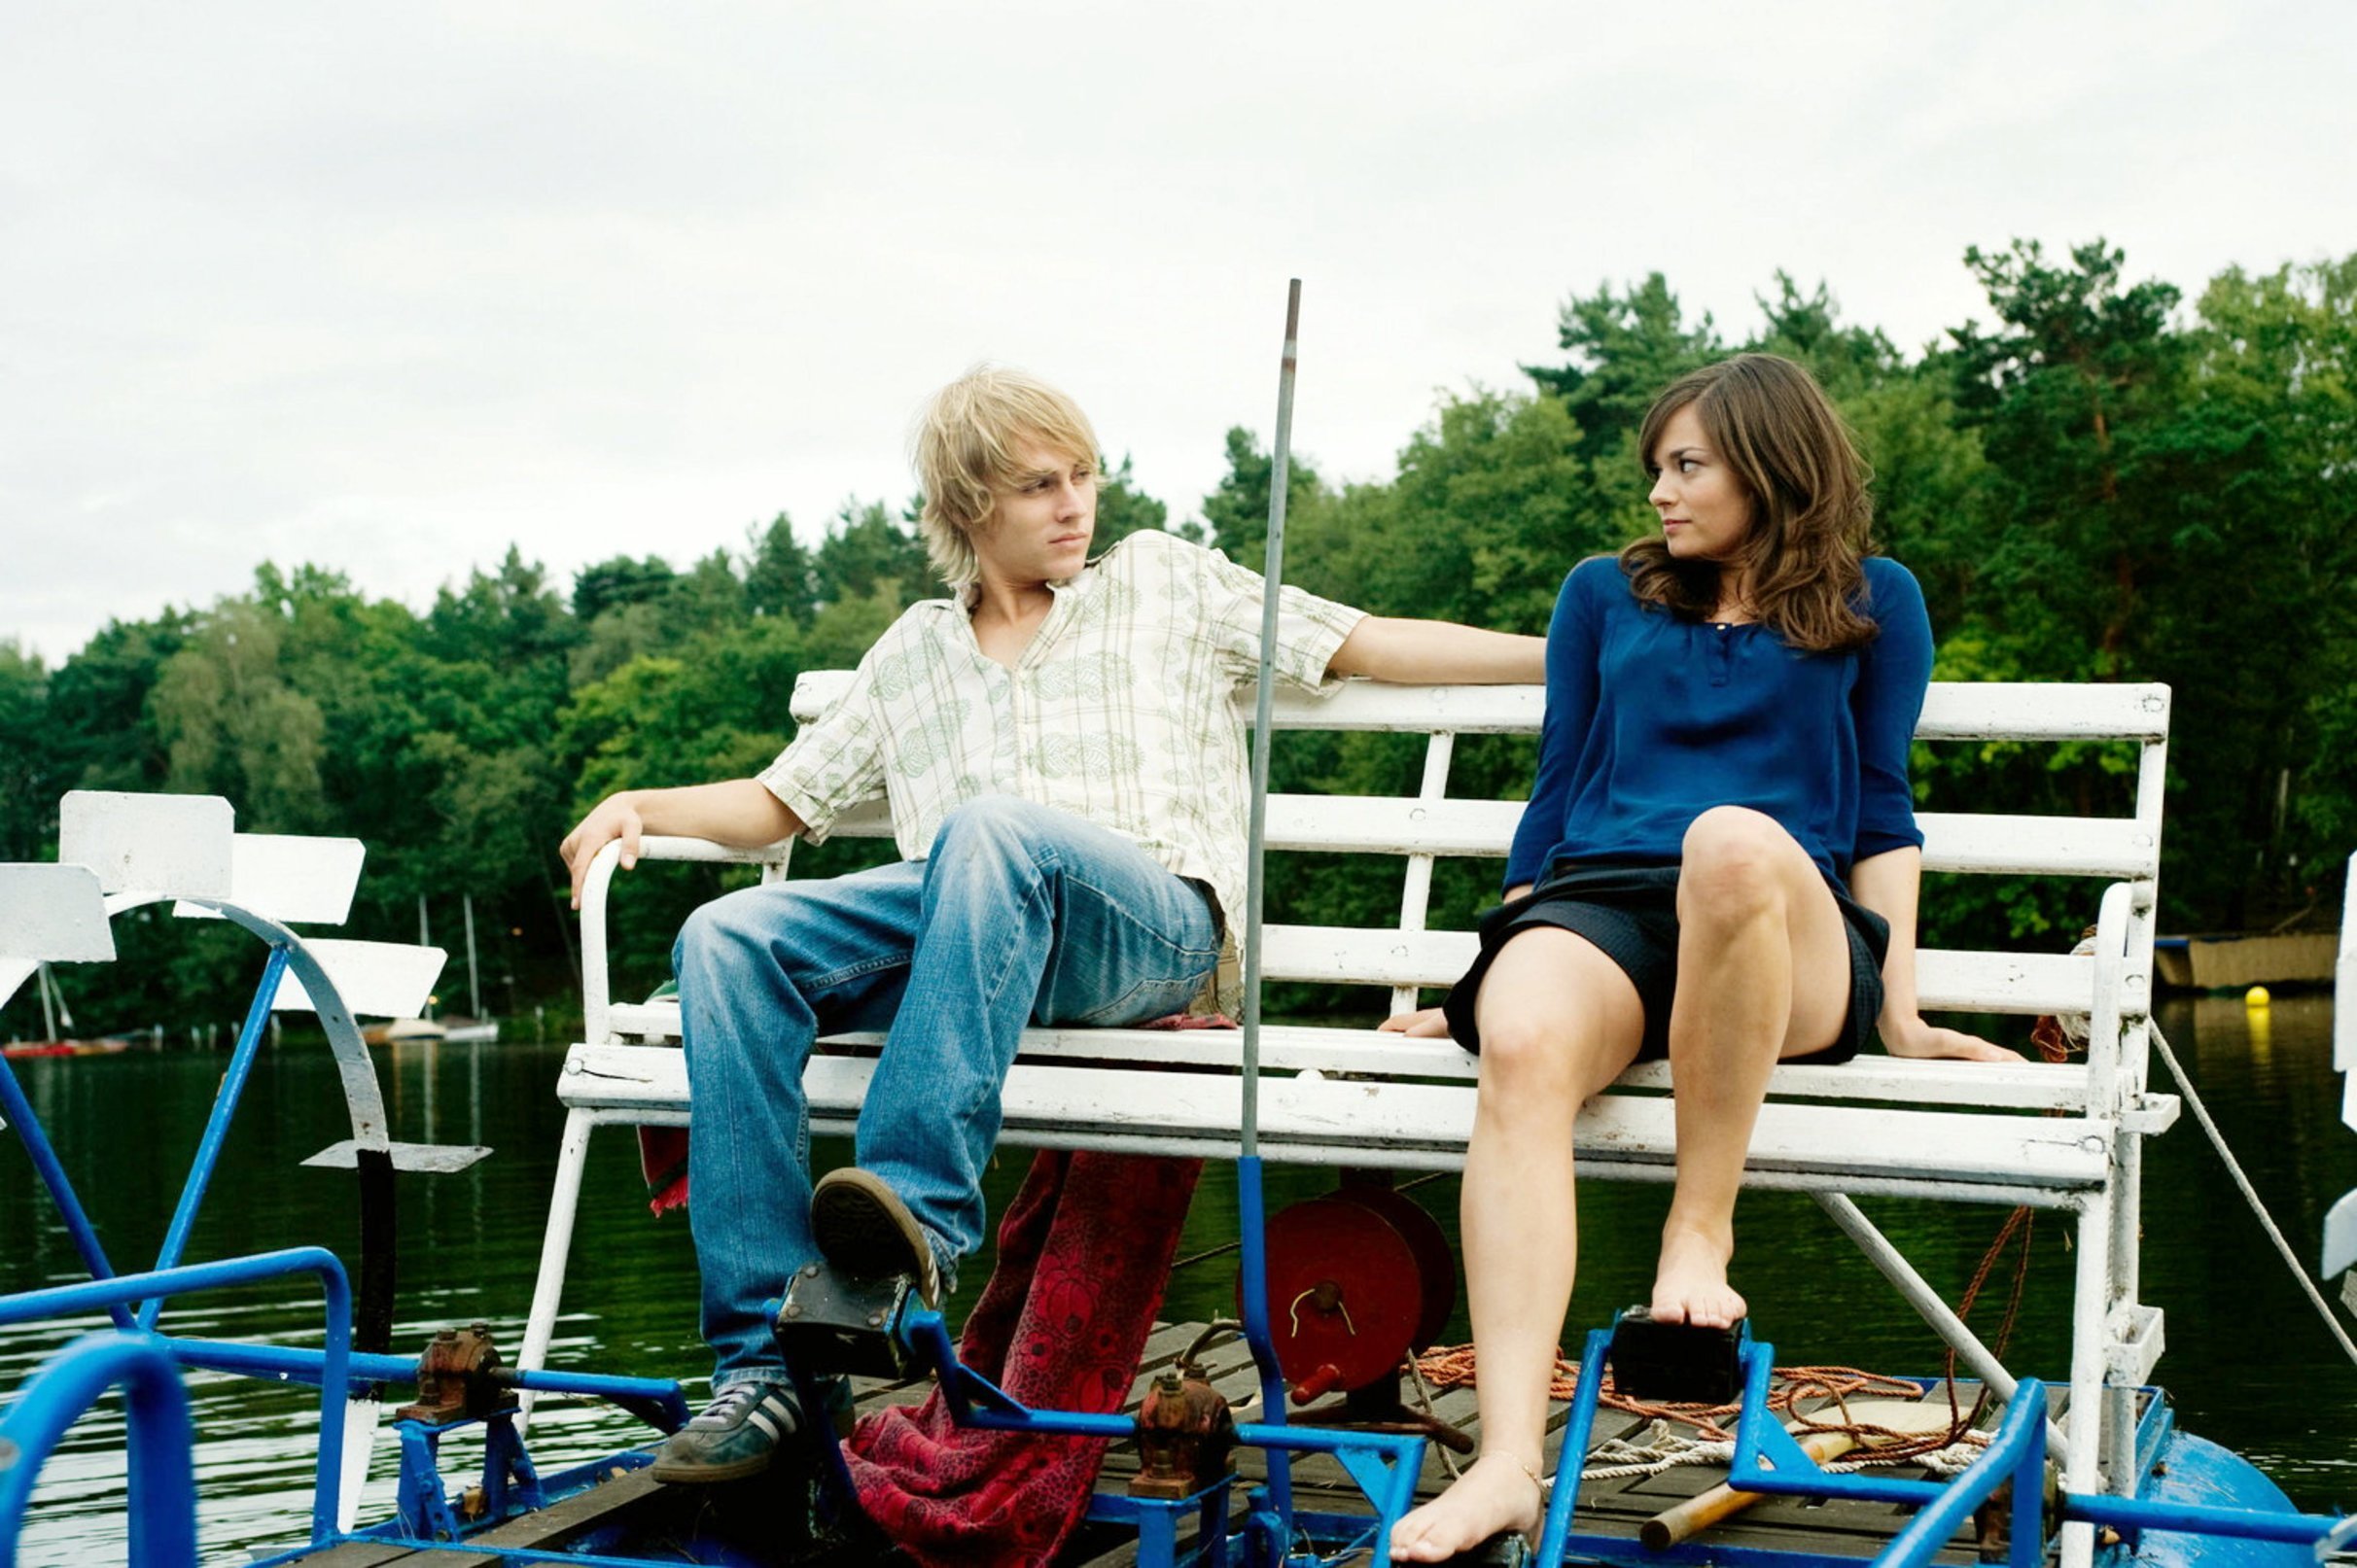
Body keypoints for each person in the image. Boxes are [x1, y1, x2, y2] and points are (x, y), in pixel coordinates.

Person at [558, 365, 1546, 1484]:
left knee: (992, 832)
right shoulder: (914, 652)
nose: (1076, 504)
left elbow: (1365, 641)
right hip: (969, 942)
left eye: (1083, 475)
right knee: (726, 940)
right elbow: (779, 801)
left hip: (1148, 931)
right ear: (969, 504)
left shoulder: (1163, 579)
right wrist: (642, 804)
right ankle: (771, 1364)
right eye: (1040, 485)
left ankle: (908, 1222)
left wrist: (1563, 650)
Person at [1380, 353, 2018, 1561]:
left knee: (1726, 841)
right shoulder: (1602, 595)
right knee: (1522, 1037)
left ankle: (1697, 1230)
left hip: (1785, 922)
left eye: (1687, 466)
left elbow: (1883, 808)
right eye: (1656, 469)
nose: (1660, 493)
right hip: (1607, 906)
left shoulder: (1874, 597)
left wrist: (1904, 1013)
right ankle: (1508, 1463)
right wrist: (1491, 976)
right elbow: (1556, 787)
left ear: (1770, 465)